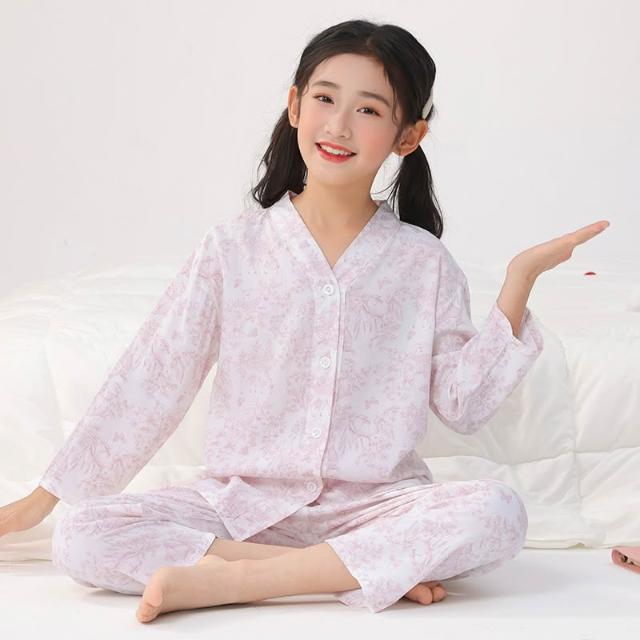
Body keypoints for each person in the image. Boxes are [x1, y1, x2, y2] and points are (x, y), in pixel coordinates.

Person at [0, 19, 609, 623]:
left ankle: (238, 580)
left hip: (374, 510)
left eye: (369, 110)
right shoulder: (232, 249)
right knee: (81, 534)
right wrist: (43, 499)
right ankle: (346, 572)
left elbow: (463, 405)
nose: (339, 125)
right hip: (240, 508)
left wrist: (517, 283)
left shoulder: (423, 262)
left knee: (497, 513)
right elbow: (154, 376)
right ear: (294, 105)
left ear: (408, 136)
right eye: (324, 99)